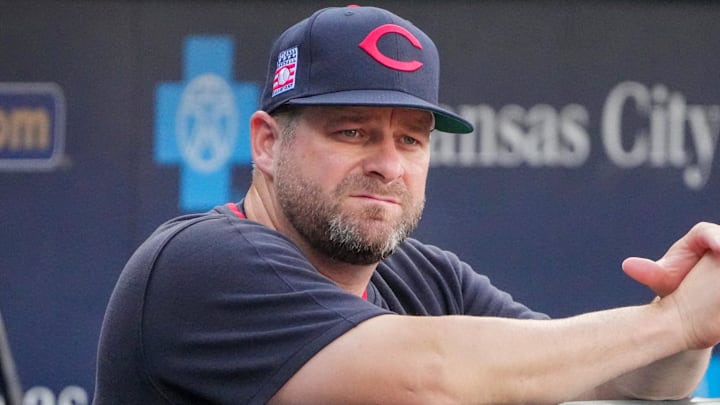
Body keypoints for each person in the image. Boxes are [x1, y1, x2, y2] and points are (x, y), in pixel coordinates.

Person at [93, 5, 720, 404]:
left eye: (411, 139)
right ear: (266, 143)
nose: (388, 164)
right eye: (352, 131)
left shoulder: (423, 278)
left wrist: (690, 325)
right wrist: (667, 323)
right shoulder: (197, 265)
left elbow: (618, 385)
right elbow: (427, 379)